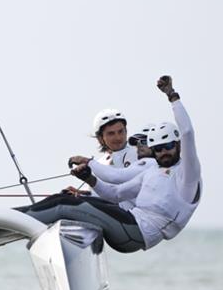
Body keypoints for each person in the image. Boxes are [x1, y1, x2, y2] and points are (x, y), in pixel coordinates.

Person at [18, 76, 201, 253]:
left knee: (63, 205)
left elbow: (187, 132)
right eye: (159, 148)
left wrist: (172, 95)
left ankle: (15, 221)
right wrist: (89, 179)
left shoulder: (188, 175)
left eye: (169, 146)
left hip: (137, 232)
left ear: (178, 145)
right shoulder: (152, 170)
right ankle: (11, 218)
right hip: (128, 224)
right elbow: (115, 194)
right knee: (62, 199)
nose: (164, 152)